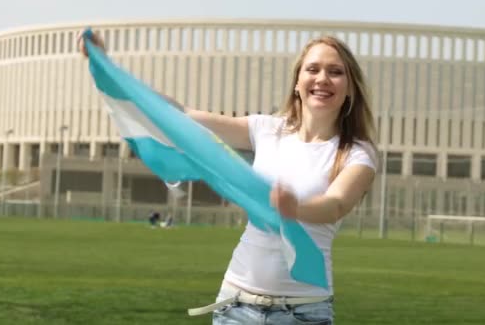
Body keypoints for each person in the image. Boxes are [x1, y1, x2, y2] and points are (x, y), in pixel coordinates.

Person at [81, 31, 377, 324]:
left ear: (350, 89)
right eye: (312, 69)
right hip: (236, 306)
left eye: (335, 72)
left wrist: (295, 208)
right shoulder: (266, 130)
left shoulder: (356, 153)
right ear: (297, 83)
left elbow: (335, 204)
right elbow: (183, 116)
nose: (322, 79)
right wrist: (109, 70)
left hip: (303, 312)